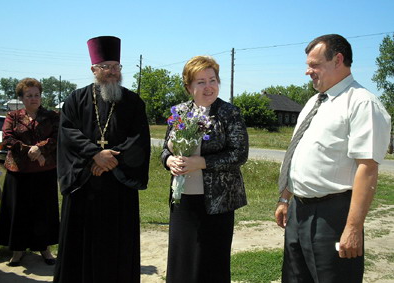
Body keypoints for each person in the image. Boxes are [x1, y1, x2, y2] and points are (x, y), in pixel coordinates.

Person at [275, 34, 391, 283]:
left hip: (333, 215)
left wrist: (352, 228)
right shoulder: (313, 102)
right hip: (298, 211)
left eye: (314, 65)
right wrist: (285, 197)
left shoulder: (362, 103)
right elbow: (296, 151)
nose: (308, 71)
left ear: (338, 60)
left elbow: (367, 169)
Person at [53, 36, 150, 283]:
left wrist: (109, 159)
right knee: (80, 245)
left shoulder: (133, 102)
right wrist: (94, 154)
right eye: (106, 66)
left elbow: (138, 138)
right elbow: (67, 134)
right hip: (84, 185)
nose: (112, 72)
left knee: (116, 247)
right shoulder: (75, 100)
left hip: (119, 188)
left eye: (116, 66)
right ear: (93, 69)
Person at [161, 55, 249, 283]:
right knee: (182, 260)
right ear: (189, 87)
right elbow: (165, 149)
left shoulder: (229, 113)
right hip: (183, 201)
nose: (208, 86)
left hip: (217, 203)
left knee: (211, 262)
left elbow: (239, 154)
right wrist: (169, 161)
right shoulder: (179, 113)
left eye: (212, 79)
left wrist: (202, 162)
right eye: (201, 81)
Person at [0, 78, 60, 266]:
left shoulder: (52, 116)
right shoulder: (13, 116)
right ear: (22, 98)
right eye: (29, 95)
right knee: (19, 211)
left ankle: (45, 249)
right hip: (19, 172)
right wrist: (30, 150)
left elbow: (57, 136)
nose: (34, 99)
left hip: (45, 171)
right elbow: (7, 138)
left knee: (43, 210)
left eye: (37, 95)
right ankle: (17, 251)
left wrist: (41, 149)